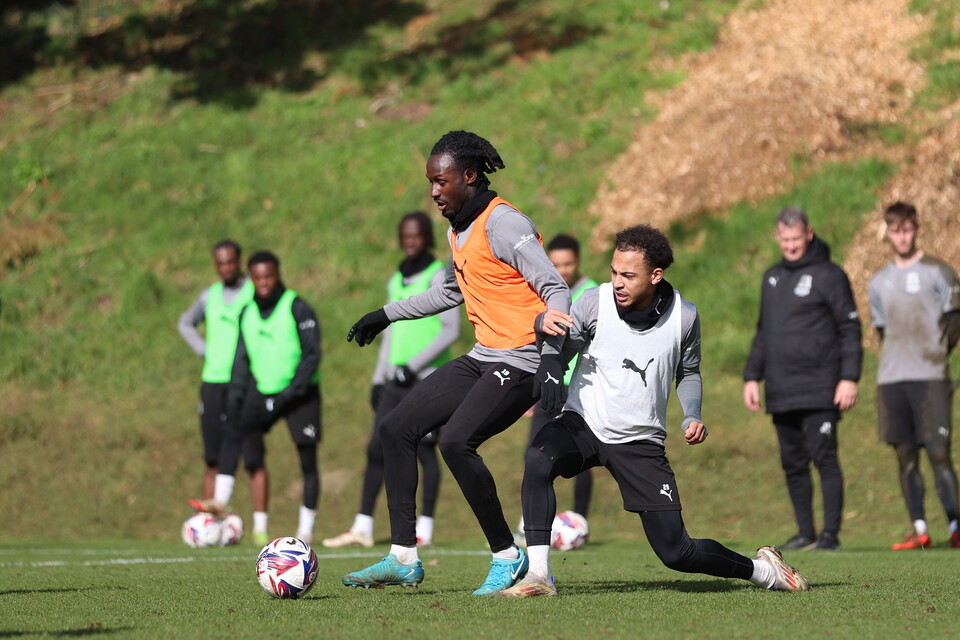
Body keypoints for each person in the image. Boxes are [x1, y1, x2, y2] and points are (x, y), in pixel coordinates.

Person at [499, 224, 809, 597]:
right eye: (614, 272)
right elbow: (559, 344)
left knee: (677, 552)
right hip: (584, 422)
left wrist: (692, 414)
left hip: (640, 441)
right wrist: (548, 357)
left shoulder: (684, 317)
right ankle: (539, 575)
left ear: (655, 275)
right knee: (539, 458)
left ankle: (765, 571)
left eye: (628, 276)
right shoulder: (594, 303)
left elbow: (689, 372)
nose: (617, 282)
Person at [342, 130, 571, 594]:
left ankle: (507, 555)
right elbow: (449, 292)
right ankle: (403, 557)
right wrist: (384, 315)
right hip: (485, 355)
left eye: (440, 181)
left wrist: (551, 359)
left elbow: (556, 289)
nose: (433, 191)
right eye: (430, 182)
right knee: (395, 427)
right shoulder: (458, 229)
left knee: (456, 442)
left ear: (469, 176)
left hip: (524, 361)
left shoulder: (504, 223)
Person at [322, 212, 460, 549]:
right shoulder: (396, 278)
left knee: (425, 450)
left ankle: (425, 528)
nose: (410, 241)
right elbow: (389, 332)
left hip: (424, 377)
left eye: (416, 235)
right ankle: (362, 527)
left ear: (427, 237)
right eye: (405, 235)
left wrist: (413, 366)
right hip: (394, 379)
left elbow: (450, 330)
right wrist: (378, 377)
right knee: (376, 448)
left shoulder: (438, 275)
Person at [743, 207, 862, 552]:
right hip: (781, 389)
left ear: (809, 234)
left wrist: (849, 377)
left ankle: (830, 536)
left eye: (796, 239)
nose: (791, 245)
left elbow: (850, 328)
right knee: (793, 464)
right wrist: (752, 376)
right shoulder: (772, 278)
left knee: (825, 459)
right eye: (785, 239)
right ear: (777, 237)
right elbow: (763, 332)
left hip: (821, 387)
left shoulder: (830, 275)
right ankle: (805, 532)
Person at [190, 251, 322, 547]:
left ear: (277, 275)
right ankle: (220, 500)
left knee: (307, 460)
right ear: (251, 278)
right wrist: (234, 400)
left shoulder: (297, 307)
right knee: (234, 429)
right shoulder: (247, 312)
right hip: (264, 392)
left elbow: (312, 356)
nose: (263, 282)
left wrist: (287, 394)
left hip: (300, 394)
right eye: (258, 277)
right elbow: (241, 361)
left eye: (268, 276)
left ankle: (306, 530)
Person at [868, 201, 960, 550]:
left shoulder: (939, 272)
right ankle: (920, 530)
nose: (902, 237)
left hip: (931, 376)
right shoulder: (879, 282)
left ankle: (956, 526)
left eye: (907, 229)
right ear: (887, 233)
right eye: (895, 231)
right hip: (893, 380)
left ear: (916, 228)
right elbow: (882, 331)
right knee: (905, 457)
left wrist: (936, 353)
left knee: (939, 453)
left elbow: (955, 321)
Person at [518, 234, 598, 539]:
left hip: (580, 388)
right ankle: (532, 518)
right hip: (549, 386)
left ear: (578, 261)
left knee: (584, 456)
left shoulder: (593, 294)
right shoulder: (546, 294)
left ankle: (580, 522)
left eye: (568, 264)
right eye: (556, 264)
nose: (562, 270)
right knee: (534, 451)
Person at [178, 240, 255, 501]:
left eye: (230, 262)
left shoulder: (255, 291)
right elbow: (185, 323)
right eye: (221, 263)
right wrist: (204, 349)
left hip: (244, 381)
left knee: (250, 456)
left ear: (239, 261)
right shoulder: (208, 296)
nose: (226, 268)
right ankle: (210, 517)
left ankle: (258, 519)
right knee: (212, 457)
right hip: (213, 380)